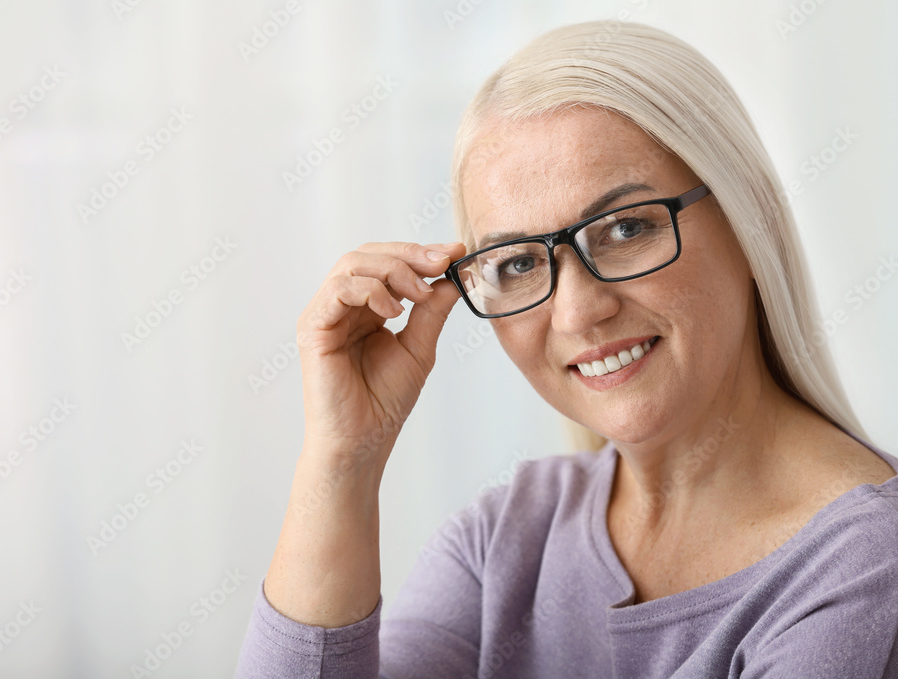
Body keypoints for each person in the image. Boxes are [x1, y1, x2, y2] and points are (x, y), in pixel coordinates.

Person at [235, 20, 898, 678]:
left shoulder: (865, 566)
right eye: (519, 262)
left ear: (748, 215)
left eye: (626, 226)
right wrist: (342, 458)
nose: (579, 310)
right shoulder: (504, 543)